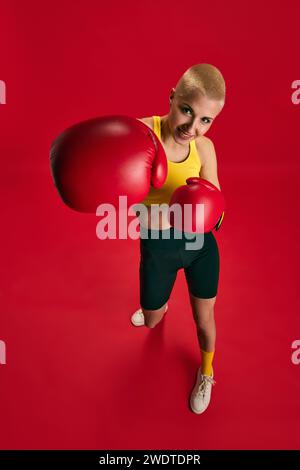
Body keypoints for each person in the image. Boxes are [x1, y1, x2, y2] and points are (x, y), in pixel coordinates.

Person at [131, 63, 225, 414]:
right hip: (157, 248)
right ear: (172, 97)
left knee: (204, 321)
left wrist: (211, 209)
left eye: (205, 120)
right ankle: (159, 305)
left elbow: (217, 202)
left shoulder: (205, 149)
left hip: (199, 248)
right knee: (151, 319)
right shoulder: (141, 132)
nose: (192, 127)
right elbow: (114, 183)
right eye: (186, 110)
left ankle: (207, 371)